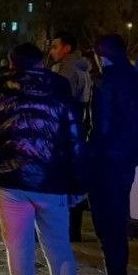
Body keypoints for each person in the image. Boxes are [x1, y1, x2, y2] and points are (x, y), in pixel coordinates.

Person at [0, 42, 91, 275]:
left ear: (11, 63)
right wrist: (78, 184)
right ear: (41, 63)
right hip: (52, 180)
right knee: (59, 245)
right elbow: (75, 141)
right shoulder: (60, 89)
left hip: (9, 181)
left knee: (18, 246)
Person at [81, 34, 138, 275]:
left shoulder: (106, 82)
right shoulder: (135, 77)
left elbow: (101, 129)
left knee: (108, 229)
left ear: (100, 55)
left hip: (106, 165)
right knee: (116, 226)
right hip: (125, 162)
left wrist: (86, 161)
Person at [50, 32, 94, 241]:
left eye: (55, 46)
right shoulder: (84, 68)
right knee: (74, 180)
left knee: (61, 180)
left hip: (64, 130)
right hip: (78, 127)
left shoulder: (65, 70)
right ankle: (73, 230)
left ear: (66, 48)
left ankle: (65, 229)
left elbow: (57, 100)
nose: (52, 51)